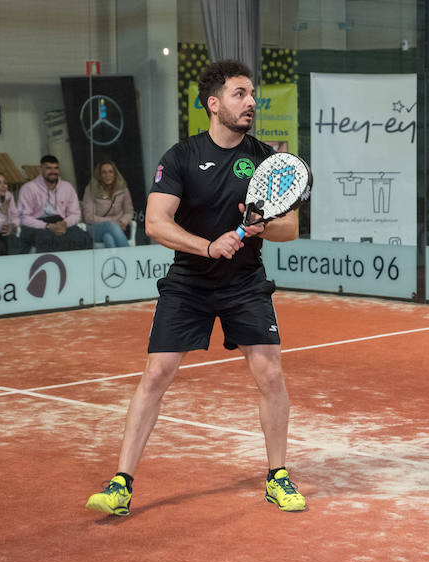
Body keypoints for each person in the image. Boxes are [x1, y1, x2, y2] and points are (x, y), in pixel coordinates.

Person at [85, 60, 304, 516]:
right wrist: (207, 247)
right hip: (188, 283)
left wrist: (260, 227)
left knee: (270, 374)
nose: (250, 103)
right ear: (213, 103)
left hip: (245, 282)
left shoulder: (267, 158)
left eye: (251, 95)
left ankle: (277, 476)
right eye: (239, 94)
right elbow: (157, 223)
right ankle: (121, 484)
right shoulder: (182, 156)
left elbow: (291, 228)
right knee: (157, 375)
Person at [17, 155, 92, 252]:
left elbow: (75, 214)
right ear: (40, 170)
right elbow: (23, 217)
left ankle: (77, 266)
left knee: (83, 237)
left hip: (62, 223)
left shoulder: (67, 187)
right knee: (47, 239)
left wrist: (65, 223)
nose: (53, 172)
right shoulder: (28, 188)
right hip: (37, 225)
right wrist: (47, 226)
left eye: (56, 168)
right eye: (48, 168)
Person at [81, 160, 133, 247]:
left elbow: (129, 211)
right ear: (99, 175)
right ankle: (129, 256)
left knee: (108, 238)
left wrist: (122, 222)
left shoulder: (123, 189)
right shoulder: (91, 189)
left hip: (119, 227)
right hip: (95, 228)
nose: (107, 175)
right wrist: (113, 222)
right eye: (104, 173)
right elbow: (88, 217)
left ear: (115, 174)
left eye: (110, 172)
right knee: (111, 226)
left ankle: (114, 260)